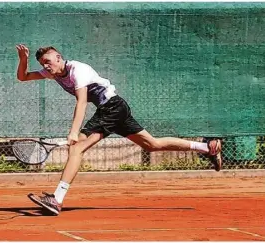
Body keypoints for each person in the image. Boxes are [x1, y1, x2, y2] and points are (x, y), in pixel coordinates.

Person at [15, 44, 222, 215]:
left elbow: (82, 103)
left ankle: (56, 199)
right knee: (153, 145)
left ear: (59, 58)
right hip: (114, 109)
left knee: (76, 148)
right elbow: (23, 77)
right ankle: (207, 148)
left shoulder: (78, 70)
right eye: (43, 64)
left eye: (49, 62)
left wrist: (73, 132)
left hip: (111, 108)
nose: (46, 67)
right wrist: (23, 59)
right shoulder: (53, 74)